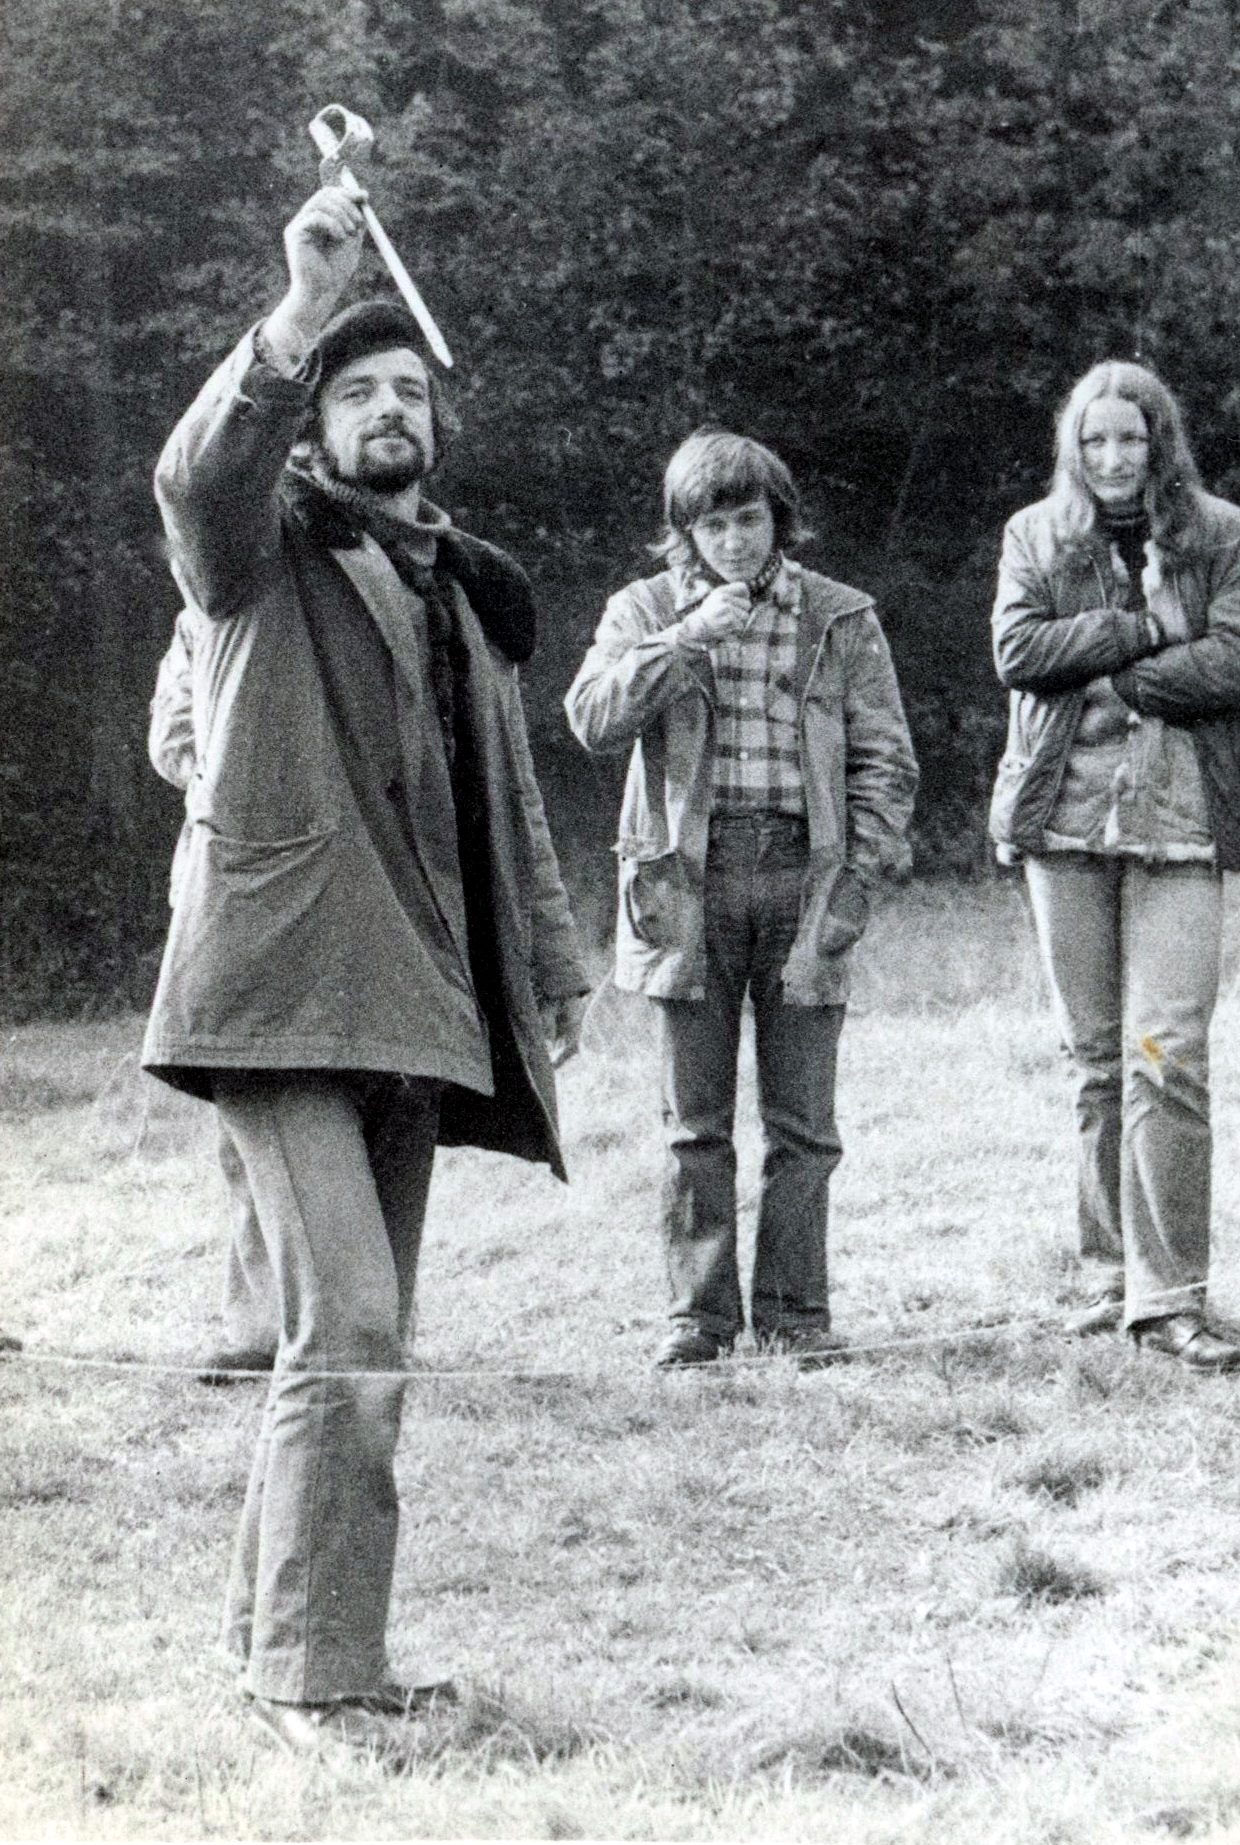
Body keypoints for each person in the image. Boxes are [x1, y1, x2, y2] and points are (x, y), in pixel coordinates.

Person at [144, 179, 589, 1752]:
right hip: (275, 997)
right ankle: (315, 1683)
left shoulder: (461, 585)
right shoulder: (254, 556)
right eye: (357, 392)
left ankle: (291, 1647)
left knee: (350, 1342)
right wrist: (300, 307)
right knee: (347, 1331)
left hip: (420, 1003)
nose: (390, 409)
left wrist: (551, 959)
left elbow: (506, 798)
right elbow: (197, 475)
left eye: (410, 391)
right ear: (314, 428)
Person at [565, 429, 918, 1367]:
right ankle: (698, 1319)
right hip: (687, 884)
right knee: (693, 1124)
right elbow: (590, 718)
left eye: (749, 519)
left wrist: (860, 873)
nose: (733, 540)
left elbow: (885, 756)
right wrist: (684, 638)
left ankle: (796, 1314)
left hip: (806, 877)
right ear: (684, 532)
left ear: (778, 519)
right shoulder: (645, 609)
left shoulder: (839, 615)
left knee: (804, 1125)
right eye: (712, 525)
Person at [988, 360, 1240, 1371]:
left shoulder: (1226, 534)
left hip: (1182, 820)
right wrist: (1144, 630)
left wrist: (1115, 674)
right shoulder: (1034, 534)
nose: (1112, 458)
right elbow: (1018, 653)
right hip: (1061, 822)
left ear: (1161, 442)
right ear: (1073, 447)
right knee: (1096, 1061)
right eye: (1094, 439)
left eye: (1131, 438)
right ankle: (1109, 1278)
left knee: (1169, 1055)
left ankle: (1171, 1299)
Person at [149, 604, 277, 1380]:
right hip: (232, 878)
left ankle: (357, 1323)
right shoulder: (205, 613)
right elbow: (172, 737)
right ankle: (260, 1328)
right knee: (248, 1114)